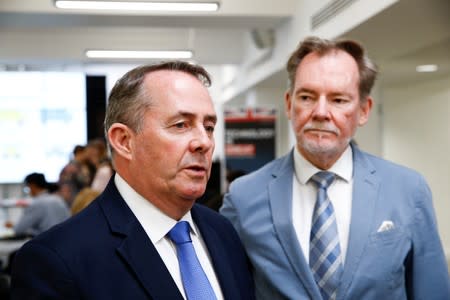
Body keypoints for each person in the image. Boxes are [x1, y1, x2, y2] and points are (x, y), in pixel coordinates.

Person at [220, 36, 450, 299]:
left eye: (338, 100)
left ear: (364, 110)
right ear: (288, 104)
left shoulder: (408, 190)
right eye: (307, 97)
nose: (320, 112)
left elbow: (432, 292)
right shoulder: (244, 197)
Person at [11, 61, 255, 300]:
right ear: (124, 141)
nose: (205, 142)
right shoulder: (57, 260)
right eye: (181, 125)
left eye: (209, 127)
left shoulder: (223, 232)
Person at [7, 172, 70, 237]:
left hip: (47, 242)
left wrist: (13, 225)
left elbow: (18, 230)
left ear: (32, 186)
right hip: (64, 240)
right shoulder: (58, 199)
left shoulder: (37, 203)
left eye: (27, 187)